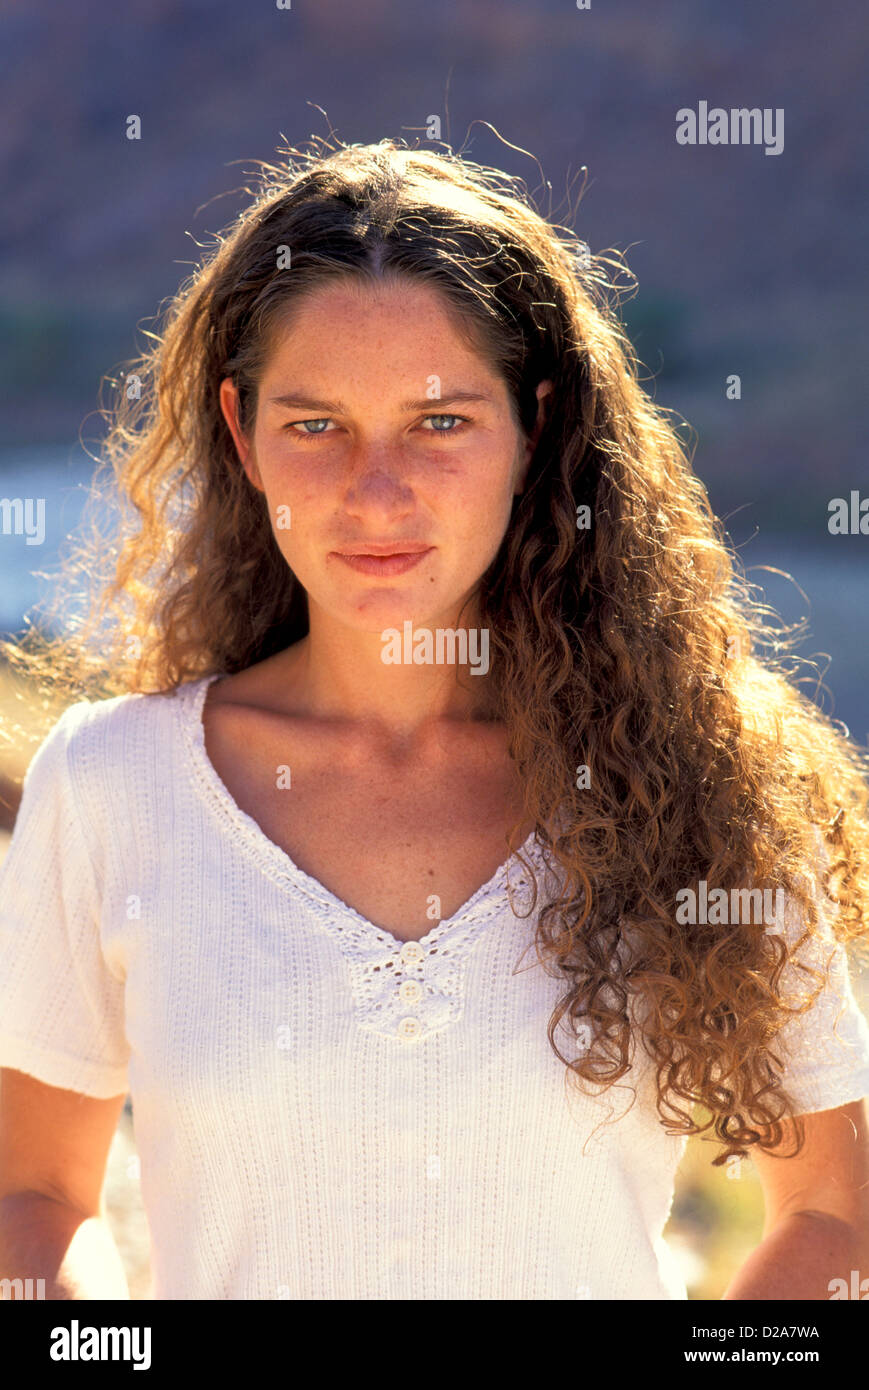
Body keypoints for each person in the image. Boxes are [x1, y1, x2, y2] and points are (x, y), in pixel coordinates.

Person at [1, 137, 868, 1301]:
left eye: (440, 422)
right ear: (242, 430)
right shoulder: (108, 783)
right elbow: (35, 1200)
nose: (375, 489)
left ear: (533, 428)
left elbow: (835, 1220)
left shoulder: (697, 779)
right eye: (314, 424)